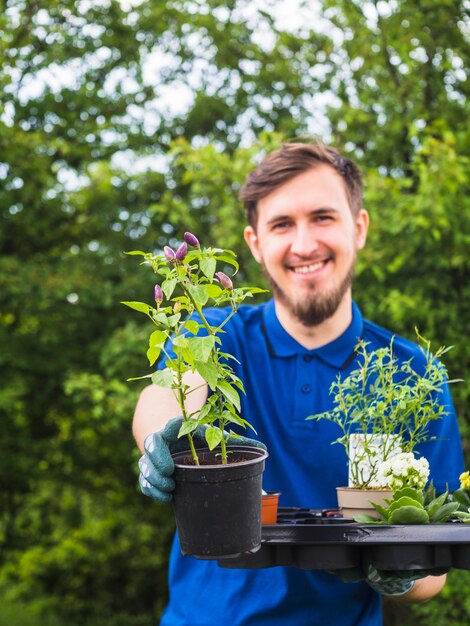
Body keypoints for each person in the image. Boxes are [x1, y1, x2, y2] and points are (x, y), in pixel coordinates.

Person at [133, 142, 464, 626]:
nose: (304, 243)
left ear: (359, 227)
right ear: (254, 242)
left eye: (323, 217)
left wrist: (404, 569)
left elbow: (436, 571)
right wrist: (163, 438)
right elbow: (164, 394)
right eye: (282, 224)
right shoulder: (214, 334)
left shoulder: (413, 374)